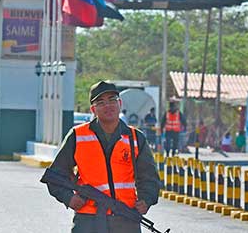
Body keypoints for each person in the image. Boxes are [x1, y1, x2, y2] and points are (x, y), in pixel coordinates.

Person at [43, 81, 161, 233]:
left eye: (112, 100)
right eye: (101, 102)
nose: (108, 105)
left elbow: (149, 177)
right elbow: (55, 175)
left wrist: (146, 200)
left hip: (125, 218)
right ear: (93, 109)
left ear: (120, 103)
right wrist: (68, 198)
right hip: (88, 220)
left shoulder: (135, 138)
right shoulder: (77, 136)